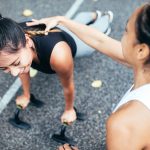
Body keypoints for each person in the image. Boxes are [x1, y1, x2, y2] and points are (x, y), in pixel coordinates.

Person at [27, 2, 150, 150]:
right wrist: (62, 20)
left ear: (142, 51)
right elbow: (101, 41)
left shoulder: (124, 124)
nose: (122, 35)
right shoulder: (143, 64)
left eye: (126, 31)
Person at [0, 11, 113, 125]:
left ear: (27, 41)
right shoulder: (10, 37)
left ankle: (105, 16)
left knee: (99, 31)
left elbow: (68, 85)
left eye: (16, 63)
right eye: (4, 68)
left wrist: (69, 110)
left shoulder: (60, 57)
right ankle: (93, 14)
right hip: (58, 31)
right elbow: (21, 70)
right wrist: (26, 94)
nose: (13, 73)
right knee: (72, 24)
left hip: (76, 44)